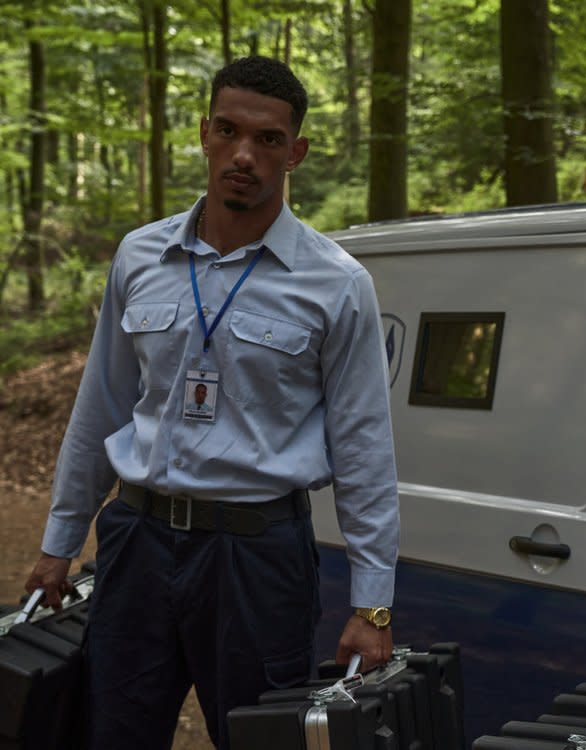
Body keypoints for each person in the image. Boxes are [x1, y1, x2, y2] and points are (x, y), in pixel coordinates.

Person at [24, 56, 400, 750]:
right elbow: (100, 408)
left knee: (260, 738)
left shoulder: (337, 284)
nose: (244, 156)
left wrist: (373, 602)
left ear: (297, 152)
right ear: (203, 133)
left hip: (257, 556)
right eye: (228, 131)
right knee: (114, 733)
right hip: (137, 541)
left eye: (267, 141)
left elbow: (364, 445)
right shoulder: (140, 256)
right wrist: (58, 541)